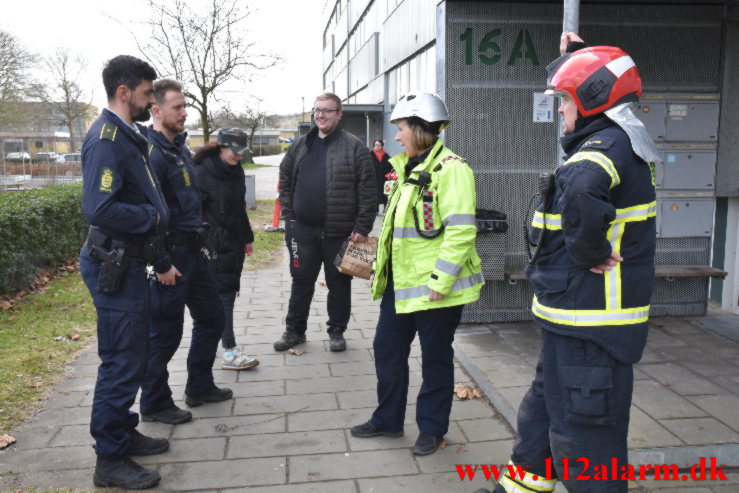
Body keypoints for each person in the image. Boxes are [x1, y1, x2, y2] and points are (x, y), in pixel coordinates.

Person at [477, 33, 658, 493]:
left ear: (591, 99)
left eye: (564, 100)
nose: (560, 109)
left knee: (587, 446)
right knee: (540, 423)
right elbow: (598, 85)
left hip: (590, 330)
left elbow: (581, 187)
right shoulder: (615, 137)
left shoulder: (602, 150)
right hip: (575, 325)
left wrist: (591, 252)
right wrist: (575, 56)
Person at [350, 92, 484, 456]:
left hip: (437, 290)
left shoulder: (452, 170)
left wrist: (441, 282)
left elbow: (460, 232)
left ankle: (432, 429)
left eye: (402, 128)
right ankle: (388, 420)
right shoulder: (407, 167)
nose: (396, 136)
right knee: (387, 350)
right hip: (402, 285)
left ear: (421, 130)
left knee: (435, 358)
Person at [79, 55, 169, 490]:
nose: (152, 101)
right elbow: (99, 208)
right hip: (113, 264)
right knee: (120, 360)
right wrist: (151, 218)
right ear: (124, 92)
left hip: (129, 262)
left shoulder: (125, 136)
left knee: (133, 355)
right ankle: (109, 459)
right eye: (148, 93)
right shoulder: (107, 140)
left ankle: (123, 431)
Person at [139, 80, 240, 428]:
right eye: (178, 107)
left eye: (186, 107)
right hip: (170, 258)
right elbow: (146, 216)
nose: (185, 113)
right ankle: (154, 402)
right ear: (156, 111)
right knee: (165, 332)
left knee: (212, 316)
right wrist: (161, 262)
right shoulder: (151, 155)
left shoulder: (179, 149)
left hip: (193, 253)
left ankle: (199, 385)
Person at [274, 92, 377, 352]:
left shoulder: (355, 147)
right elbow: (284, 179)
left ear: (339, 114)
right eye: (317, 110)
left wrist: (362, 227)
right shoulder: (300, 145)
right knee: (300, 282)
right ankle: (294, 331)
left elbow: (368, 191)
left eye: (327, 110)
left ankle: (336, 332)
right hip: (302, 231)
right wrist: (290, 216)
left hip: (341, 233)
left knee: (339, 283)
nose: (320, 115)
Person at [193, 127, 260, 370]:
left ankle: (223, 349)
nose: (239, 156)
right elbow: (193, 212)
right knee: (223, 298)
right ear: (221, 147)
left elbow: (238, 208)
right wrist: (208, 239)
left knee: (228, 294)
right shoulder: (200, 172)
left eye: (242, 153)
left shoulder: (236, 171)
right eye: (235, 152)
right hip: (212, 246)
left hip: (233, 243)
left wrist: (246, 237)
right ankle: (229, 351)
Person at [371, 139, 392, 213]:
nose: (377, 146)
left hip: (384, 178)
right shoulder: (370, 154)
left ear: (382, 146)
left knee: (385, 193)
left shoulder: (386, 155)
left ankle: (385, 210)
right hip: (374, 178)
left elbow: (391, 166)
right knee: (374, 193)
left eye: (379, 145)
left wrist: (390, 176)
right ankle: (375, 210)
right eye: (376, 145)